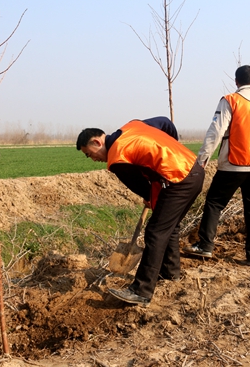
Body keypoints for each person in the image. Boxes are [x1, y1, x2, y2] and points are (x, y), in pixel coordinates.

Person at [76, 117, 204, 306]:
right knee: (169, 227)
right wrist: (172, 150)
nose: (93, 159)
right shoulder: (132, 126)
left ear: (97, 142)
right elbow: (165, 123)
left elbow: (140, 185)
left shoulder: (117, 157)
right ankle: (170, 273)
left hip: (180, 179)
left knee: (155, 231)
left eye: (89, 154)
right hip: (193, 169)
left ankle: (141, 291)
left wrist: (149, 196)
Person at [183, 65, 250, 264]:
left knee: (214, 203)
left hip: (233, 163)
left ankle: (205, 246)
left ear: (236, 82)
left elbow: (215, 132)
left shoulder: (230, 100)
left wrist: (202, 160)